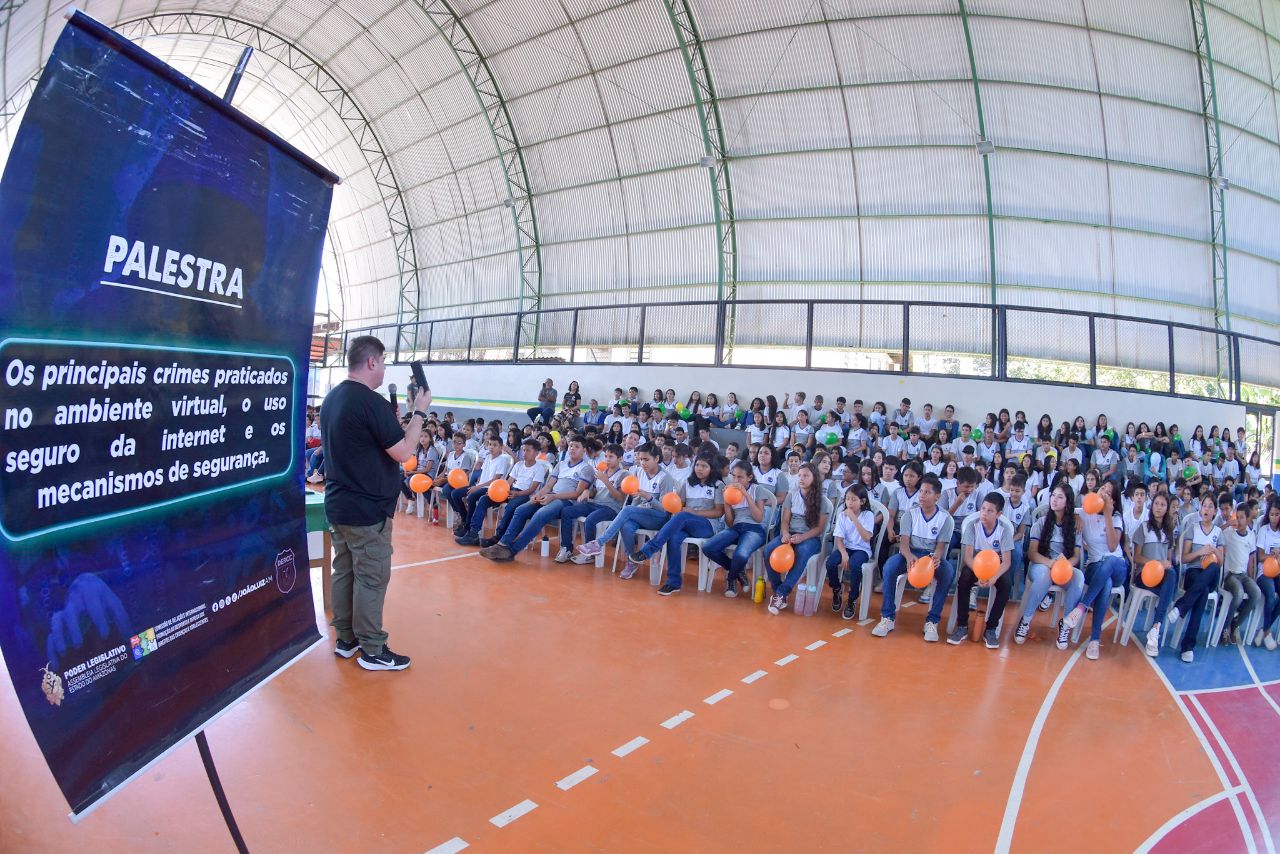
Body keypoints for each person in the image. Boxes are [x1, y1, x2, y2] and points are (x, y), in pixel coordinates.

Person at [320, 335, 430, 671]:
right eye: (382, 362)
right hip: (367, 511)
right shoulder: (369, 402)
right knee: (371, 576)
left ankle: (346, 639)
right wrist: (419, 414)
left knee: (346, 571)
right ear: (371, 362)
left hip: (339, 503)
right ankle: (372, 649)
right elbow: (403, 452)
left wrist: (393, 421)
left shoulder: (334, 397)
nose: (383, 368)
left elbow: (375, 442)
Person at [871, 473, 955, 642]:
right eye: (921, 492)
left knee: (948, 572)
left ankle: (932, 620)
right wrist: (909, 556)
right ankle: (887, 617)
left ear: (937, 497)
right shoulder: (910, 513)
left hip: (930, 557)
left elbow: (940, 547)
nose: (922, 496)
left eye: (927, 493)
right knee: (890, 567)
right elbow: (903, 543)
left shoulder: (945, 517)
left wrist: (936, 558)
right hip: (910, 554)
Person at [481, 436, 592, 561]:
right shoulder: (561, 464)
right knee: (521, 509)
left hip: (565, 501)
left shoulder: (586, 468)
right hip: (550, 496)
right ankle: (502, 544)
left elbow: (577, 493)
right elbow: (549, 485)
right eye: (571, 445)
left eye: (577, 447)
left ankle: (512, 551)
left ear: (584, 450)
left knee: (540, 514)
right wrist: (537, 496)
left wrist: (553, 496)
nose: (572, 449)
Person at [631, 455, 727, 595]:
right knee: (674, 538)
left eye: (704, 466)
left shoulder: (718, 485)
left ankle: (649, 549)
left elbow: (718, 512)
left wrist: (694, 512)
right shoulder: (688, 483)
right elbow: (679, 505)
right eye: (698, 465)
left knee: (683, 516)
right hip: (686, 523)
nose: (700, 469)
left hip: (707, 525)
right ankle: (673, 582)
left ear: (712, 469)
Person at [576, 442, 673, 579]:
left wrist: (648, 497)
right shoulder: (639, 472)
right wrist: (637, 500)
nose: (643, 463)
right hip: (640, 513)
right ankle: (631, 562)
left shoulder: (665, 478)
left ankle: (598, 543)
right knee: (626, 526)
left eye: (646, 459)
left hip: (658, 517)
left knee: (627, 510)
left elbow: (664, 510)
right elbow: (636, 500)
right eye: (640, 459)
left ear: (656, 459)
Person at [1014, 483, 1085, 648]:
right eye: (1053, 496)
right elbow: (1032, 553)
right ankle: (1025, 620)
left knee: (1079, 576)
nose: (1054, 500)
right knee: (1045, 574)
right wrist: (1051, 563)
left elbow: (1076, 556)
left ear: (1068, 502)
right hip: (1041, 565)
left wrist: (1065, 565)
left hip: (1063, 569)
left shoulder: (1075, 526)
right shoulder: (1041, 522)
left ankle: (1066, 624)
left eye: (1060, 497)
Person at [1063, 481, 1128, 660]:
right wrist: (1075, 516)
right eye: (1102, 489)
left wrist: (1107, 512)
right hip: (1094, 567)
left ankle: (1082, 606)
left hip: (1117, 567)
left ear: (1113, 500)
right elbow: (1064, 510)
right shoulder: (1084, 512)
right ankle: (1094, 640)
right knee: (1104, 582)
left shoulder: (1115, 517)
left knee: (1110, 560)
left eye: (1108, 493)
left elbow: (1113, 545)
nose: (1103, 494)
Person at [761, 463, 832, 614]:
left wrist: (802, 537)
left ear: (814, 478)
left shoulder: (823, 501)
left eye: (806, 475)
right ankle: (777, 589)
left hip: (810, 537)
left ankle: (781, 594)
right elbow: (785, 520)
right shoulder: (791, 495)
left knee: (802, 552)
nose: (801, 478)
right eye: (800, 475)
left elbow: (819, 529)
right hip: (790, 533)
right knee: (768, 550)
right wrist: (785, 533)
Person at [951, 493, 1015, 648]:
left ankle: (991, 628)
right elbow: (967, 557)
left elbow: (1006, 562)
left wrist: (993, 577)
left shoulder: (1004, 529)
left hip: (996, 566)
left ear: (999, 514)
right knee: (964, 579)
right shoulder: (973, 526)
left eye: (990, 511)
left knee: (1006, 585)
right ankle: (962, 625)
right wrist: (980, 573)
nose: (984, 513)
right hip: (975, 564)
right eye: (983, 509)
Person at [1169, 494, 1225, 663]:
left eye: (1210, 506)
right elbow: (1185, 558)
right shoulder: (1193, 528)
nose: (1207, 509)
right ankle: (1187, 646)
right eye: (1204, 506)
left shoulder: (1218, 532)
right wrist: (1200, 552)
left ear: (1215, 511)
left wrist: (1213, 551)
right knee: (1203, 591)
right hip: (1194, 572)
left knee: (1214, 568)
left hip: (1211, 573)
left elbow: (1221, 562)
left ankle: (1182, 606)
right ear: (1200, 509)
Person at [703, 462, 770, 597]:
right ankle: (739, 571)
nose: (736, 481)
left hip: (755, 529)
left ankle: (731, 578)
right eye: (734, 477)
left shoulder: (758, 490)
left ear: (749, 477)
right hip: (737, 527)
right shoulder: (731, 491)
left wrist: (746, 495)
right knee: (708, 547)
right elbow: (730, 522)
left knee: (740, 554)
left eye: (740, 477)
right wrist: (726, 503)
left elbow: (759, 518)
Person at [1131, 491, 1179, 657]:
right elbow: (1136, 557)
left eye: (1163, 505)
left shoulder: (1169, 530)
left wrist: (1165, 564)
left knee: (1171, 574)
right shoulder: (1143, 527)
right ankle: (1156, 628)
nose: (1159, 507)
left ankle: (1155, 629)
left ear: (1167, 509)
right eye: (1157, 504)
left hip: (1161, 577)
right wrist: (1156, 564)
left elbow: (1169, 559)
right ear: (1152, 507)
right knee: (1169, 592)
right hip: (1144, 575)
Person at [825, 484, 875, 621]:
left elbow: (866, 537)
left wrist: (853, 518)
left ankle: (852, 599)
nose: (849, 503)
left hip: (862, 549)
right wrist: (844, 553)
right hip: (846, 547)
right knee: (830, 563)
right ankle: (836, 588)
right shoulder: (842, 515)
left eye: (854, 499)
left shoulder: (868, 515)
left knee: (855, 565)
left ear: (862, 501)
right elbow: (839, 539)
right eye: (847, 499)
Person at [1218, 502, 1258, 646]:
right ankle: (1225, 627)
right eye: (1238, 517)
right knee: (1239, 593)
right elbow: (1216, 531)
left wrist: (1252, 578)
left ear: (1248, 520)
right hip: (1230, 576)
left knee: (1256, 594)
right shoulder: (1229, 533)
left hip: (1243, 575)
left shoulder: (1251, 536)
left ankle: (1236, 623)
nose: (1239, 520)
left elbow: (1251, 560)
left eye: (1242, 518)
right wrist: (1228, 523)